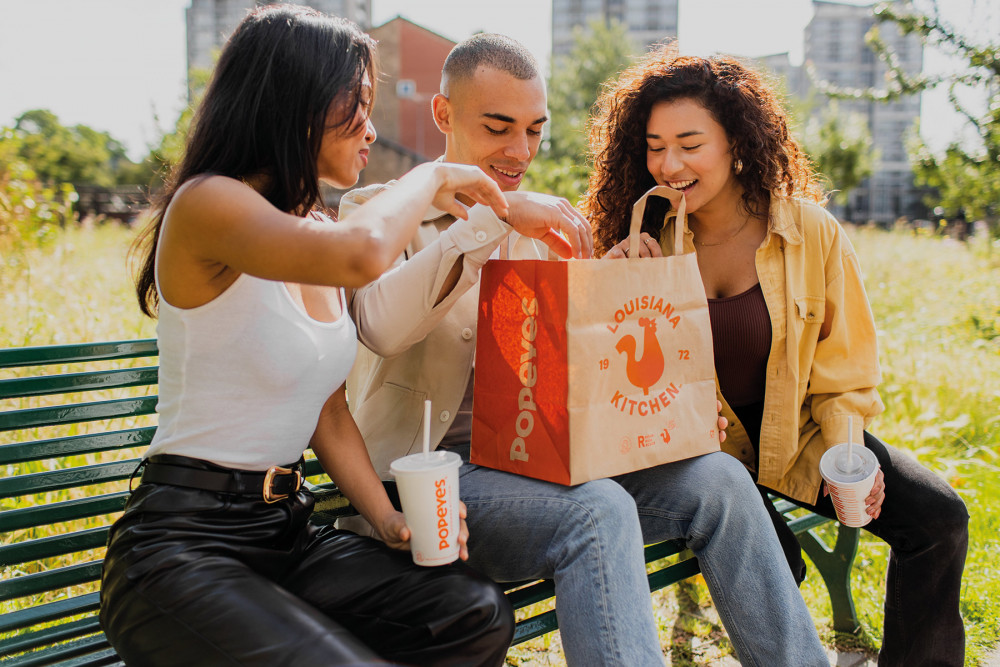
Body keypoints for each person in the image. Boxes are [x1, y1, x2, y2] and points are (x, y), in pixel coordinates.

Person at [340, 33, 830, 666]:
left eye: (534, 130)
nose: (520, 152)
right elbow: (381, 326)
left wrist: (622, 284)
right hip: (426, 484)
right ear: (443, 116)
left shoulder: (548, 232)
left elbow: (592, 382)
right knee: (597, 512)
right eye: (498, 128)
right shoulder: (374, 214)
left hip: (541, 470)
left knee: (719, 480)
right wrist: (498, 214)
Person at [99, 6, 520, 665]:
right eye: (358, 106)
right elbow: (363, 254)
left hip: (287, 533)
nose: (371, 129)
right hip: (182, 547)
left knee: (471, 614)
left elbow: (326, 408)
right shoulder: (210, 205)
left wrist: (389, 520)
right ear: (300, 104)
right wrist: (432, 175)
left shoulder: (315, 228)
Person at [583, 44, 970, 666]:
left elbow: (845, 363)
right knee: (778, 563)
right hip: (707, 452)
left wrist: (850, 453)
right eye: (655, 145)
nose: (669, 163)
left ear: (736, 145)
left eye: (689, 143)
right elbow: (617, 378)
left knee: (938, 519)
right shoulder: (643, 241)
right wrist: (615, 284)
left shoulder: (809, 231)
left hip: (803, 432)